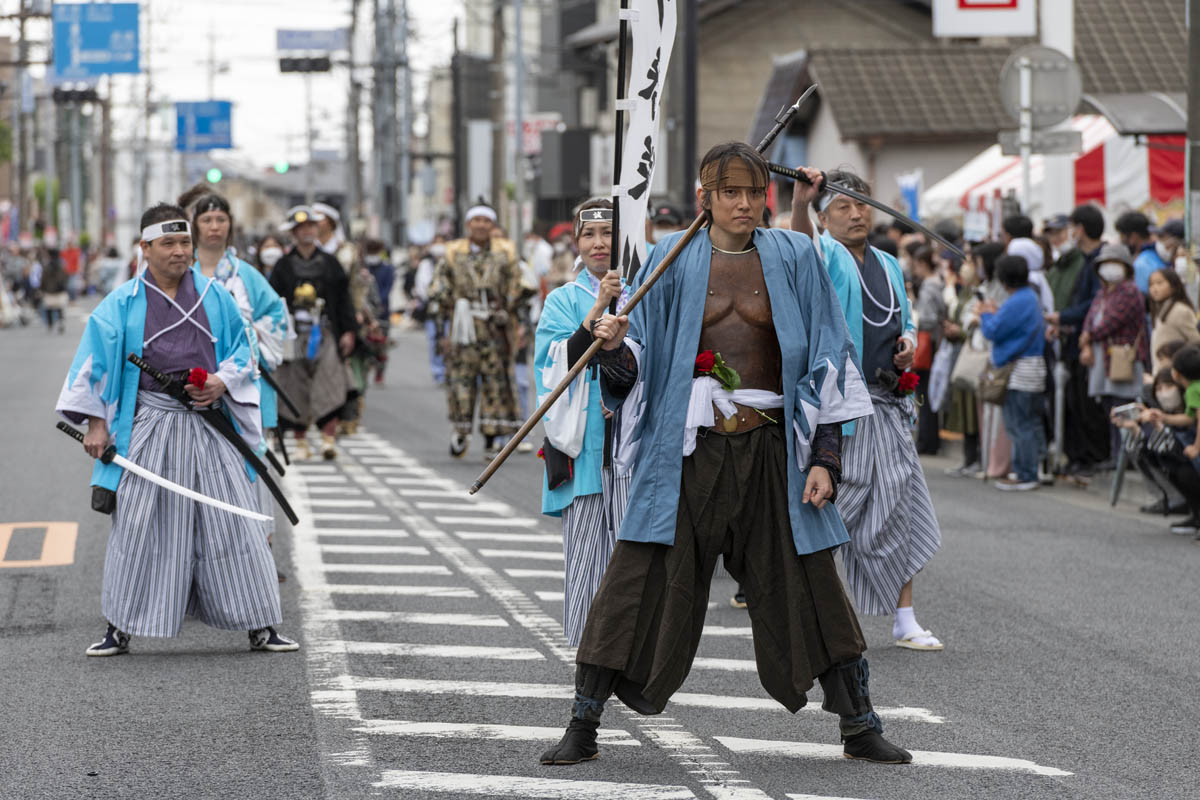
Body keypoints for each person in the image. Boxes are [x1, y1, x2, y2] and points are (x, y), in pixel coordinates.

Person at [540, 143, 910, 767]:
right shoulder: (669, 260)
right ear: (704, 196)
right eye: (730, 192)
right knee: (638, 575)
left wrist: (826, 458)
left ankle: (859, 723)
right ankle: (583, 721)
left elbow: (830, 354)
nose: (744, 204)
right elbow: (639, 369)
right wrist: (611, 346)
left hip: (773, 447)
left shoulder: (793, 255)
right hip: (685, 450)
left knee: (813, 579)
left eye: (753, 191)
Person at [56, 203, 297, 656]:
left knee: (234, 522)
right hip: (150, 421)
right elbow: (95, 365)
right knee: (138, 523)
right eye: (168, 243)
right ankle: (119, 626)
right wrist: (95, 423)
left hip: (210, 423)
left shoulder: (216, 296)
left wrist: (221, 382)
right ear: (144, 248)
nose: (180, 251)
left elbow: (245, 352)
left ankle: (261, 623)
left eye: (184, 242)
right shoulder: (122, 302)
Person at [791, 167, 944, 653]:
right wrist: (801, 203)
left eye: (862, 205)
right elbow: (802, 247)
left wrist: (907, 344)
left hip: (890, 402)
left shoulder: (887, 261)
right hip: (842, 407)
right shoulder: (826, 255)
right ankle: (817, 614)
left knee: (900, 506)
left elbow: (908, 318)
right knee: (835, 505)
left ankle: (905, 618)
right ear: (824, 216)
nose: (856, 214)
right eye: (842, 206)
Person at [534, 198, 635, 646]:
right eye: (589, 235)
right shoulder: (562, 300)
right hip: (586, 444)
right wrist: (598, 307)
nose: (599, 243)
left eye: (608, 233)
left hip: (636, 440)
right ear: (576, 242)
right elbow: (554, 365)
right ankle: (587, 654)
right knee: (587, 554)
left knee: (635, 557)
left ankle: (630, 651)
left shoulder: (647, 288)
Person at [188, 191, 291, 542]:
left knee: (248, 458)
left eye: (220, 220)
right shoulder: (182, 271)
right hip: (192, 382)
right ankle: (206, 544)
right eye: (206, 220)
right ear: (195, 226)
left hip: (242, 380)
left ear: (230, 225)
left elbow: (276, 314)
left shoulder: (245, 274)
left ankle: (257, 543)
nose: (214, 227)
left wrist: (249, 334)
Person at [428, 204, 523, 461]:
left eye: (486, 220)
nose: (481, 225)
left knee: (496, 382)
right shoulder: (451, 252)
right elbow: (438, 286)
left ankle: (493, 436)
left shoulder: (506, 251)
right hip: (462, 328)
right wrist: (443, 321)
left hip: (495, 326)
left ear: (492, 225)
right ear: (468, 224)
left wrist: (510, 307)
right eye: (476, 220)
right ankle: (461, 431)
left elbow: (519, 282)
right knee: (460, 380)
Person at [269, 206, 357, 460]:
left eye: (311, 226)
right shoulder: (283, 265)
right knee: (294, 384)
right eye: (301, 228)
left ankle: (328, 438)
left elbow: (344, 300)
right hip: (294, 334)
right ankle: (301, 442)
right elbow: (273, 301)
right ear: (294, 233)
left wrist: (348, 331)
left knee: (329, 381)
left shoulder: (331, 263)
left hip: (326, 331)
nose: (307, 231)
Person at [1046, 205, 1109, 478]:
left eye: (1070, 227)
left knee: (1089, 405)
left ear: (1079, 229)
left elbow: (1093, 305)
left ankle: (1096, 458)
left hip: (1091, 344)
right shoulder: (1086, 259)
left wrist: (1063, 317)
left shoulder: (1099, 260)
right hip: (1075, 340)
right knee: (1076, 404)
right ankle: (1082, 458)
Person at [979, 255, 1047, 491]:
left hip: (1019, 371)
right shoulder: (1030, 297)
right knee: (1029, 422)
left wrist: (986, 313)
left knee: (1018, 424)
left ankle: (1025, 474)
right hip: (1033, 367)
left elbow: (992, 331)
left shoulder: (1018, 300)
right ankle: (1033, 469)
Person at [1079, 243, 1150, 465]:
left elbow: (1111, 322)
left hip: (1123, 358)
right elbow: (1090, 319)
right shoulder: (1102, 293)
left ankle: (1126, 455)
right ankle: (1115, 454)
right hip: (1103, 358)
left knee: (1123, 406)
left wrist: (1088, 337)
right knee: (1111, 407)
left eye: (1115, 263)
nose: (1109, 269)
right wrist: (1086, 342)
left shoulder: (1130, 291)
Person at [943, 242, 1001, 476]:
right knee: (966, 406)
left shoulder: (989, 290)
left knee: (979, 408)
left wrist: (966, 327)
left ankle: (981, 458)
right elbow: (967, 316)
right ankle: (970, 458)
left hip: (983, 353)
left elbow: (979, 319)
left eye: (972, 262)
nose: (968, 267)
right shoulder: (971, 290)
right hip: (970, 351)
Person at [1119, 367, 1200, 530]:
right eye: (1159, 389)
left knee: (1185, 471)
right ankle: (1196, 515)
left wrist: (1162, 424)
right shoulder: (1163, 413)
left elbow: (1180, 452)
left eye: (1169, 387)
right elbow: (1151, 453)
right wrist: (1136, 429)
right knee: (1168, 466)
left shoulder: (1190, 412)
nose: (1164, 393)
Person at [910, 246, 946, 455]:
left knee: (925, 392)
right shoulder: (938, 283)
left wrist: (914, 316)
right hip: (934, 342)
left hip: (927, 341)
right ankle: (929, 439)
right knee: (928, 390)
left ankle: (927, 440)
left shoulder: (928, 286)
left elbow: (928, 318)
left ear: (922, 264)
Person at [1147, 268, 1199, 366]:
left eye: (1159, 283)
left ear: (1173, 285)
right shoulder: (1160, 311)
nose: (1154, 288)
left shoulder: (1180, 310)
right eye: (1151, 284)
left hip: (1177, 371)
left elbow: (1196, 340)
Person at [364, 239, 395, 384]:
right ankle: (367, 367)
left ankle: (380, 373)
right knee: (366, 343)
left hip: (382, 311)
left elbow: (387, 288)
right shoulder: (363, 268)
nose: (373, 255)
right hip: (365, 313)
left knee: (381, 344)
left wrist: (380, 303)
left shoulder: (388, 268)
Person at [1115, 211, 1167, 294]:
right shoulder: (1158, 254)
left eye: (1122, 236)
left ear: (1133, 236)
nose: (1120, 241)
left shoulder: (1141, 264)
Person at [39, 248, 68, 333]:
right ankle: (60, 322)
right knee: (60, 308)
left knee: (49, 308)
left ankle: (50, 324)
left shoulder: (46, 266)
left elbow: (43, 279)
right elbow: (65, 277)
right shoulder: (61, 265)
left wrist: (42, 288)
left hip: (49, 290)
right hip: (59, 290)